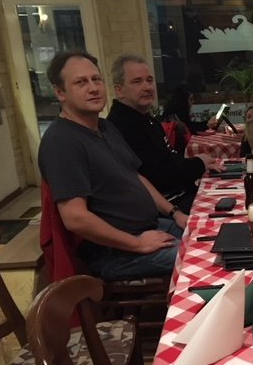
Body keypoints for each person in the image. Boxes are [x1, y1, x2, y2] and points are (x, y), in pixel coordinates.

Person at [38, 50, 187, 281]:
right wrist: (137, 243)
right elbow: (74, 217)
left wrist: (175, 212)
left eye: (96, 79)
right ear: (60, 93)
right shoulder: (62, 141)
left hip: (152, 227)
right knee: (204, 257)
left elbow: (135, 176)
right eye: (81, 82)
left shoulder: (105, 127)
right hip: (116, 253)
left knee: (210, 235)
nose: (93, 88)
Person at [107, 54, 223, 215]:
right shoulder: (121, 126)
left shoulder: (145, 119)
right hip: (167, 209)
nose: (147, 87)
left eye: (149, 80)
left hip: (181, 196)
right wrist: (199, 163)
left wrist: (197, 163)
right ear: (119, 90)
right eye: (137, 81)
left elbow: (170, 161)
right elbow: (158, 177)